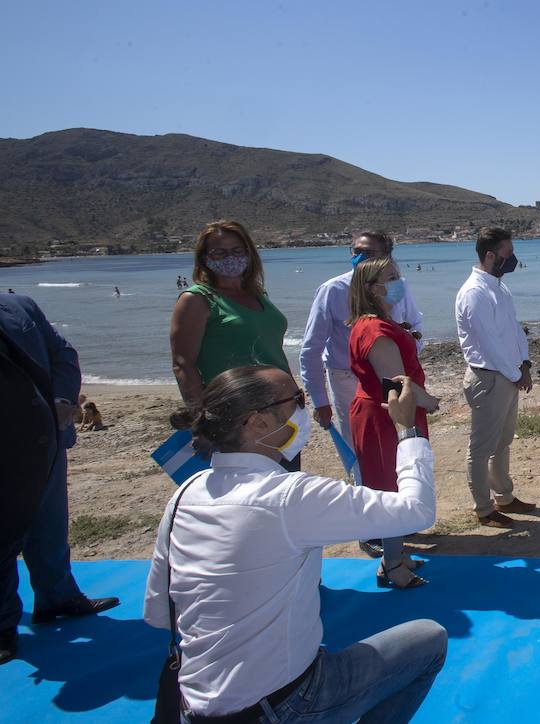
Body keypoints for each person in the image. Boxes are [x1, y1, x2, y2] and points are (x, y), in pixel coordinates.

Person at [144, 365, 447, 722]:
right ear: (256, 423)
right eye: (297, 400)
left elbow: (159, 614)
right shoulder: (289, 497)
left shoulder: (184, 495)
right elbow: (416, 510)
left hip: (192, 710)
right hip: (284, 706)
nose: (304, 410)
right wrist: (407, 427)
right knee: (430, 640)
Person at [0, 294, 118, 665]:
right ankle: (3, 625)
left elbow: (63, 354)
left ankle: (58, 597)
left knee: (50, 522)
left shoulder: (19, 307)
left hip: (45, 436)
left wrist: (62, 400)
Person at [169, 221, 292, 457]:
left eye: (237, 251)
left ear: (249, 253)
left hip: (278, 408)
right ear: (205, 258)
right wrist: (200, 420)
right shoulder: (197, 299)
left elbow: (271, 348)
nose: (230, 258)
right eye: (219, 252)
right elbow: (183, 364)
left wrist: (293, 395)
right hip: (236, 417)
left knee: (283, 480)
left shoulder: (257, 294)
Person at [348, 256, 434, 588]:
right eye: (390, 277)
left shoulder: (380, 323)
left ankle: (394, 555)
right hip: (388, 414)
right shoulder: (375, 329)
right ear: (370, 289)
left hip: (388, 410)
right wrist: (431, 401)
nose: (399, 282)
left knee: (392, 484)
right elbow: (396, 384)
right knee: (391, 487)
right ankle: (393, 567)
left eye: (398, 274)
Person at [300, 231, 424, 450]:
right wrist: (320, 400)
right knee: (361, 444)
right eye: (356, 251)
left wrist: (408, 358)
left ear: (387, 255)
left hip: (392, 376)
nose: (360, 257)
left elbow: (414, 323)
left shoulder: (397, 285)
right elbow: (312, 347)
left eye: (368, 252)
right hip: (348, 380)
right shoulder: (333, 290)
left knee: (398, 438)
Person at [455, 227, 538, 527]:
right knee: (480, 448)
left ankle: (504, 495)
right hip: (489, 377)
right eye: (507, 253)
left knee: (502, 442)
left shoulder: (499, 287)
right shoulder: (474, 292)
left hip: (508, 374)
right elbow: (489, 343)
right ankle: (483, 507)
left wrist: (524, 364)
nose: (512, 259)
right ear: (490, 255)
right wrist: (516, 373)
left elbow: (513, 330)